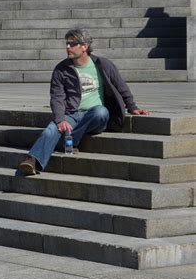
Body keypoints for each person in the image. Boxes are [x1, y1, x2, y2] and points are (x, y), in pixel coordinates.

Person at [18, 29, 150, 176]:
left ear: (84, 46)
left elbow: (121, 86)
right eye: (67, 43)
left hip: (94, 115)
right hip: (71, 114)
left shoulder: (103, 64)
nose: (67, 47)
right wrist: (61, 119)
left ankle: (70, 140)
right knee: (51, 129)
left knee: (101, 112)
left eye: (72, 44)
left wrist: (133, 107)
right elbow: (57, 97)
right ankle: (32, 161)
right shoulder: (61, 69)